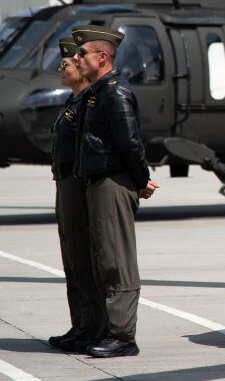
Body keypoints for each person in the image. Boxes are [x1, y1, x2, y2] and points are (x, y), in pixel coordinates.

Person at [72, 25, 159, 358]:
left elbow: (130, 142)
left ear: (102, 57)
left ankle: (123, 337)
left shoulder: (115, 92)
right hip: (99, 181)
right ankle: (108, 329)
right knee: (102, 259)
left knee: (116, 260)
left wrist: (140, 181)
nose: (77, 58)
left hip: (113, 182)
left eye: (83, 53)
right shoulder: (98, 92)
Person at [48, 39, 104, 353]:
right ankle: (80, 325)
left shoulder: (88, 105)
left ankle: (92, 328)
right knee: (72, 260)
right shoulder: (73, 104)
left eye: (67, 64)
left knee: (84, 259)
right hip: (65, 183)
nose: (62, 68)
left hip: (77, 185)